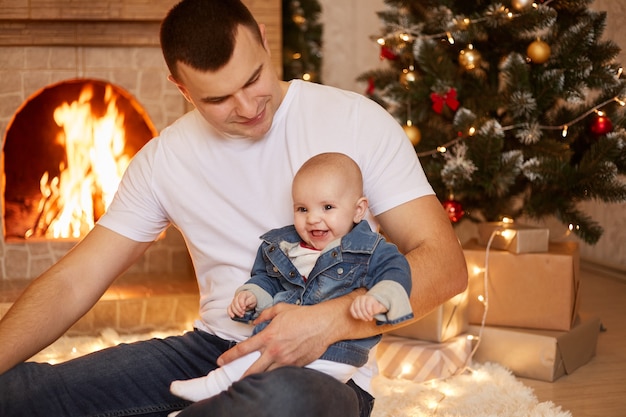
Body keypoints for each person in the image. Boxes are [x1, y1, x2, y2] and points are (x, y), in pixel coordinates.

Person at [0, 0, 468, 416]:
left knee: (282, 403)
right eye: (219, 98)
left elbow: (445, 265)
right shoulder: (166, 159)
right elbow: (73, 281)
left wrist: (329, 321)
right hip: (212, 349)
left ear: (263, 41)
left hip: (322, 367)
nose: (247, 107)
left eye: (253, 78)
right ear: (181, 88)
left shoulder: (355, 121)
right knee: (20, 393)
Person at [170, 152, 414, 403]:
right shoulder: (286, 248)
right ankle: (208, 401)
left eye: (327, 207)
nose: (312, 218)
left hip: (337, 354)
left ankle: (216, 385)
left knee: (261, 377)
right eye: (302, 209)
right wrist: (253, 295)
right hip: (280, 341)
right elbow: (267, 278)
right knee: (255, 368)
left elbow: (395, 268)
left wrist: (380, 297)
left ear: (358, 210)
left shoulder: (367, 249)